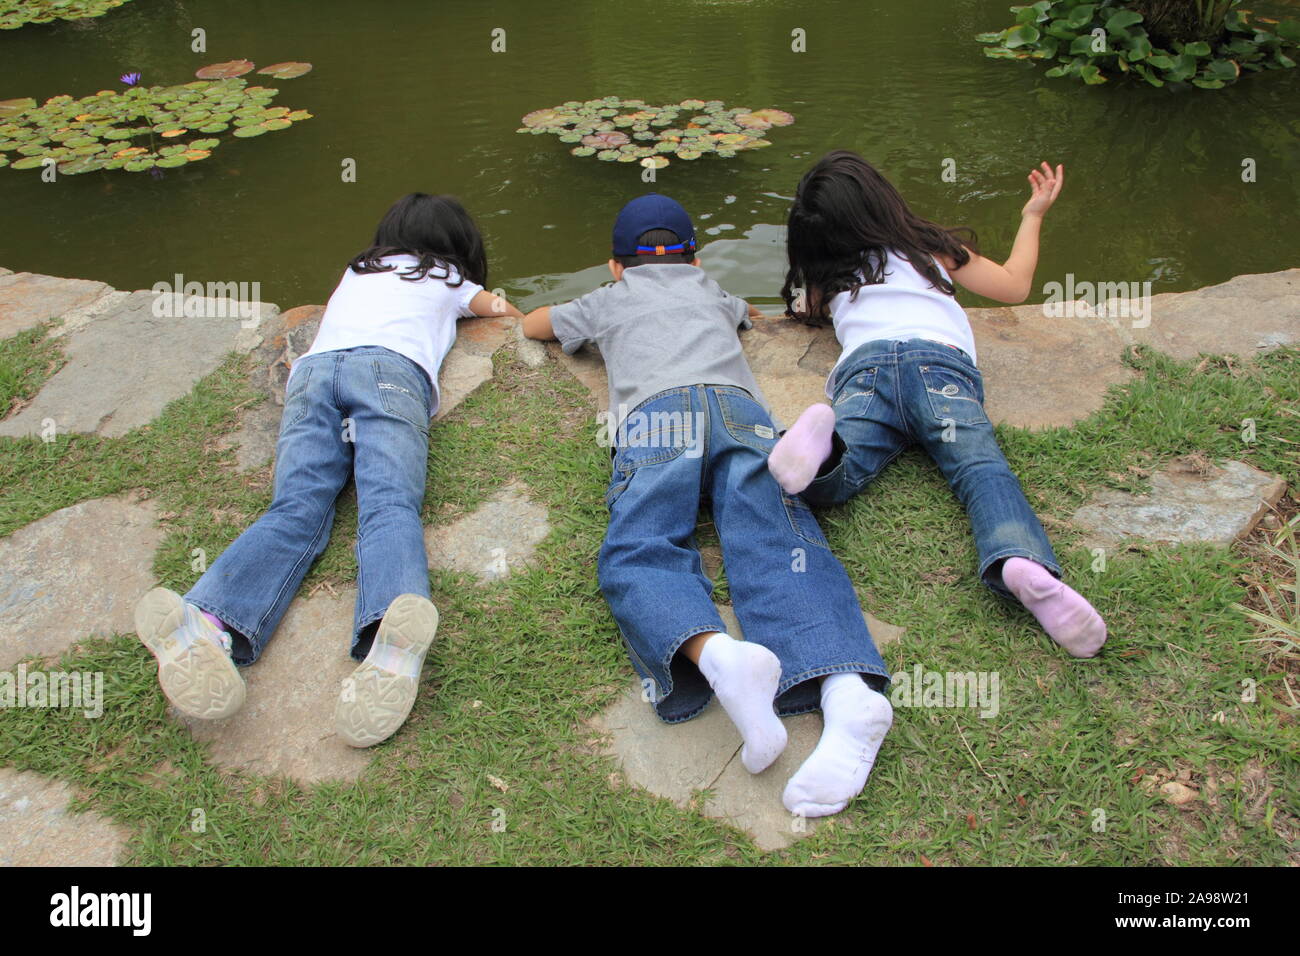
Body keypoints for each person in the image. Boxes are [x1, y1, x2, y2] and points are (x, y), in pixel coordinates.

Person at [523, 193, 893, 818]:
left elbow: (536, 324)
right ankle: (845, 688)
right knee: (776, 536)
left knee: (640, 545)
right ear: (695, 260)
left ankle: (717, 656)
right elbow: (748, 312)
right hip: (737, 409)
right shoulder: (710, 290)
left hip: (658, 417)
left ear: (616, 266)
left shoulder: (608, 298)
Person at [135, 192, 524, 747]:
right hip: (389, 373)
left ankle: (206, 621)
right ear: (459, 247)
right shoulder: (446, 275)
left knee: (295, 507)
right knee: (389, 506)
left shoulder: (357, 269)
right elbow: (501, 312)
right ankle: (388, 645)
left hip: (314, 376)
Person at [769, 150, 1106, 658]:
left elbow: (801, 310)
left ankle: (823, 448)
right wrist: (1032, 215)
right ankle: (1020, 563)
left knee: (844, 470)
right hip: (938, 366)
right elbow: (1015, 287)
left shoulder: (828, 274)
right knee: (980, 468)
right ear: (882, 199)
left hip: (867, 370)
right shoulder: (929, 248)